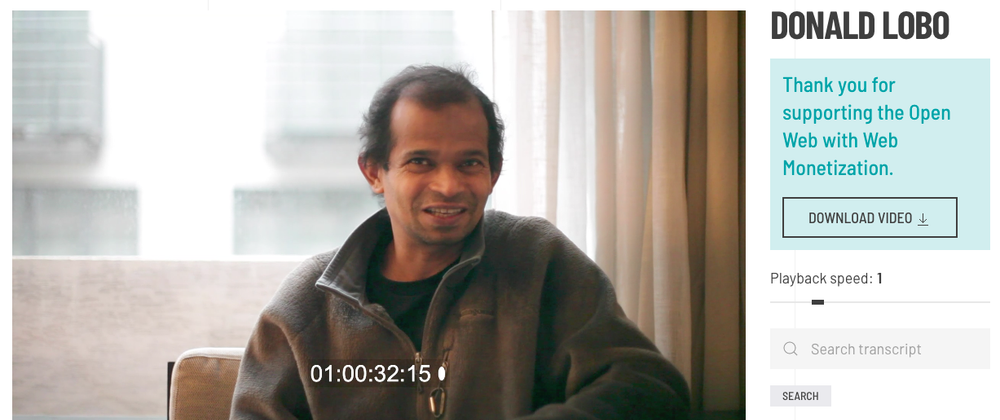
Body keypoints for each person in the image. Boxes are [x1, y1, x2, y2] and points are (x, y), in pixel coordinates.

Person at [230, 65, 690, 419]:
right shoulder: (307, 306)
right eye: (421, 162)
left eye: (469, 163)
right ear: (374, 172)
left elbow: (649, 386)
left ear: (494, 173)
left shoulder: (538, 259)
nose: (449, 186)